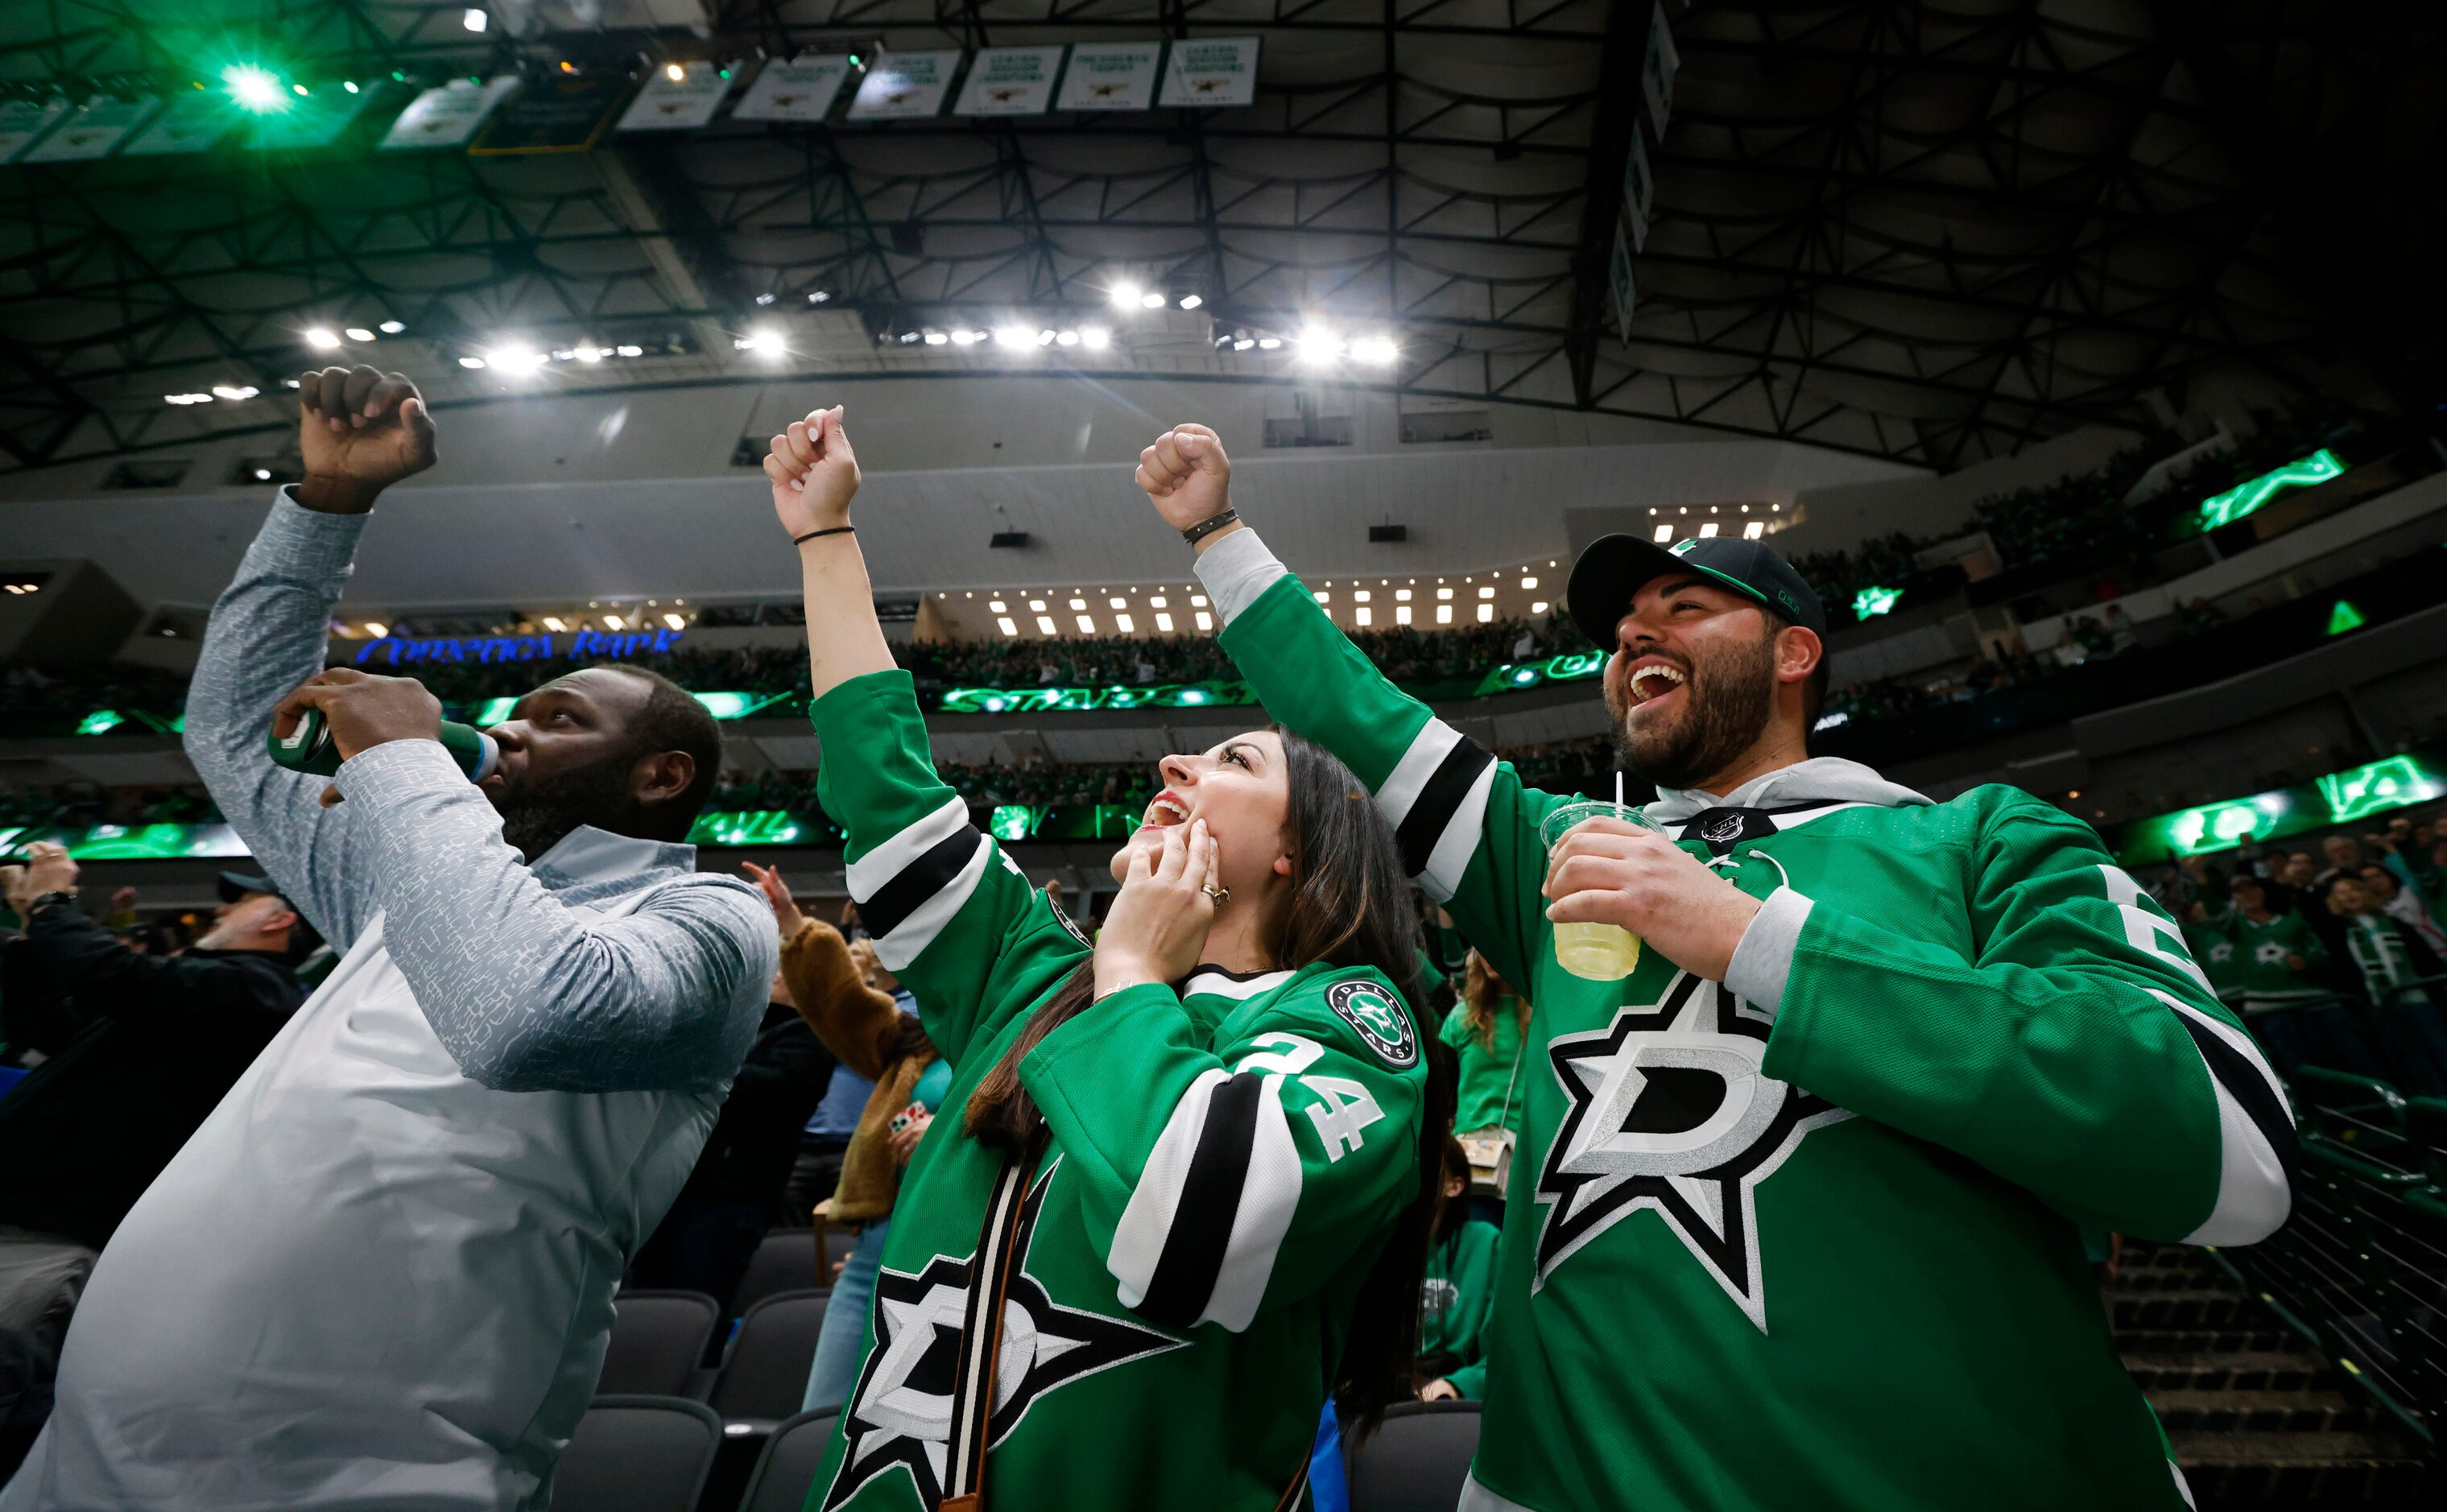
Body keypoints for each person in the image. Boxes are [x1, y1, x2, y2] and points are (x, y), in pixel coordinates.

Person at [1136, 421, 2296, 1512]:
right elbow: (1366, 721)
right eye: (1620, 628)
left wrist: (1751, 940)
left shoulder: (1980, 838)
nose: (1632, 636)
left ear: (1794, 652)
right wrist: (1215, 536)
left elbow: (2227, 1151)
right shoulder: (1556, 851)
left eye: (1682, 608)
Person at [2, 368, 778, 1512]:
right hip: (88, 1457)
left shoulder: (708, 920)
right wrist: (326, 504)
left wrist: (408, 760)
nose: (509, 725)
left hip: (369, 1478)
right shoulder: (395, 885)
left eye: (560, 719)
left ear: (661, 775)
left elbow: (524, 1013)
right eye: (519, 707)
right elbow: (230, 728)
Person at [762, 404, 1453, 1510]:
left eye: (1231, 758)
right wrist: (825, 539)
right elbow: (885, 788)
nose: (1175, 757)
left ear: (1294, 851)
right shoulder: (1035, 974)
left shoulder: (1352, 1023)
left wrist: (1132, 968)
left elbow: (1194, 1230)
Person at [0, 859, 309, 1463]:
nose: (219, 910)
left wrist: (52, 905)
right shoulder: (197, 992)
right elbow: (49, 1022)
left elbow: (111, 975)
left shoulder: (259, 992)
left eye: (238, 903)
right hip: (23, 1217)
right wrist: (28, 931)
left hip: (50, 1233)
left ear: (278, 919)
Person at [735, 861, 951, 1413]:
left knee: (908, 1436)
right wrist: (791, 921)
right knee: (821, 1419)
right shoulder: (916, 1038)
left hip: (960, 1272)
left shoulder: (1028, 1038)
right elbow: (844, 1004)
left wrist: (952, 1138)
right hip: (871, 1260)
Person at [626, 946, 837, 1320]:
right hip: (681, 1185)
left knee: (700, 1297)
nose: (773, 975)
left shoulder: (809, 1036)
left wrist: (703, 1066)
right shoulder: (742, 1028)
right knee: (647, 1292)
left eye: (784, 972)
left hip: (734, 1192)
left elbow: (778, 1091)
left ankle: (700, 1373)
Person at [1414, 1138, 1501, 1403]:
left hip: (1453, 1394)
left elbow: (1505, 1352)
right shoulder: (1385, 1242)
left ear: (1456, 1186)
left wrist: (1460, 1384)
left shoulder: (1486, 1243)